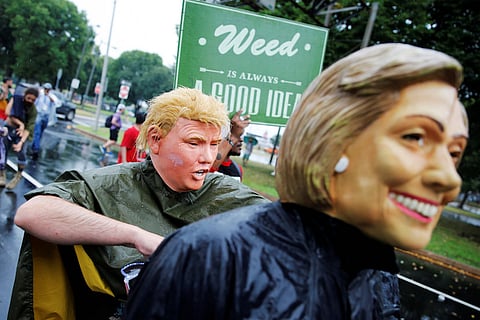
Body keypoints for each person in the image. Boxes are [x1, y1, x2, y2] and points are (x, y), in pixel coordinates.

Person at [124, 43, 469, 319]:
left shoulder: (378, 271)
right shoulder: (206, 256)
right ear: (332, 138)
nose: (448, 179)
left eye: (454, 153)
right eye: (414, 138)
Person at [9, 87, 269, 319]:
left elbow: (292, 228)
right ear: (155, 139)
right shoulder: (112, 183)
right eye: (194, 143)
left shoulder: (225, 192)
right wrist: (136, 236)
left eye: (214, 144)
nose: (207, 157)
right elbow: (32, 213)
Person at [0, 86, 38, 189]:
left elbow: (29, 128)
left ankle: (18, 175)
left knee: (21, 153)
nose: (30, 101)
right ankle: (1, 175)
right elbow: (8, 113)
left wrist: (21, 142)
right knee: (3, 151)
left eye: (33, 100)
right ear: (25, 95)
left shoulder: (33, 111)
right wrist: (20, 124)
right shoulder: (16, 99)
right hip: (9, 127)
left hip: (21, 133)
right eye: (29, 98)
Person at [31, 82, 57, 160]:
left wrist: (49, 96)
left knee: (41, 132)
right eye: (45, 89)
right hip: (39, 115)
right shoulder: (40, 95)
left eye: (48, 89)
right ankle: (36, 149)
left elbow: (55, 103)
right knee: (37, 132)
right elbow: (35, 103)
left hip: (46, 116)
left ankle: (34, 146)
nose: (46, 90)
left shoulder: (51, 96)